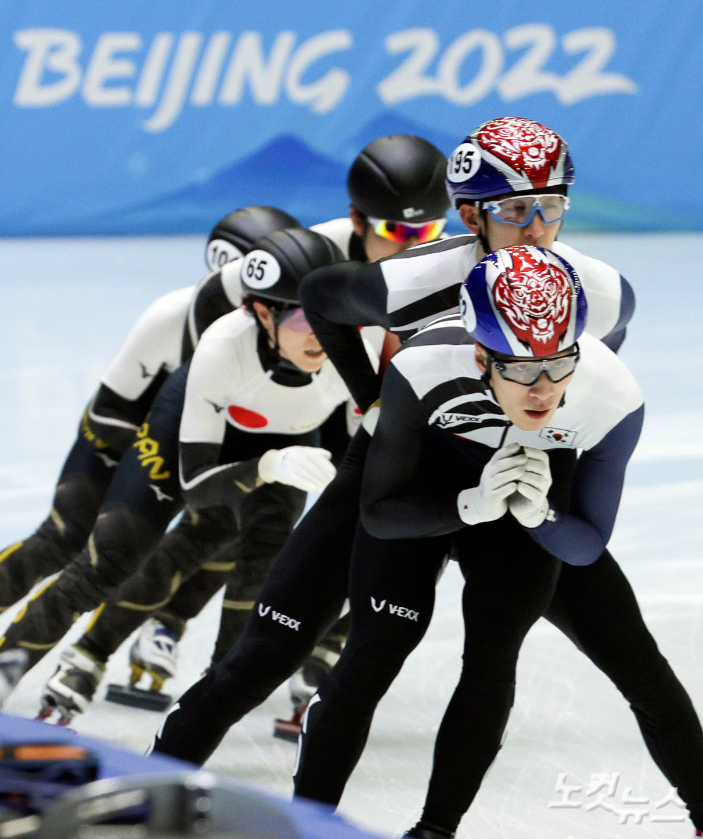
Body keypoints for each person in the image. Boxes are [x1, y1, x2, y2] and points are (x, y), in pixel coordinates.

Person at [149, 117, 634, 765]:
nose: (538, 227)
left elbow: (607, 340)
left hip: (507, 484)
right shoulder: (417, 277)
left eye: (553, 207)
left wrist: (553, 427)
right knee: (267, 655)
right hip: (401, 473)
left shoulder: (593, 287)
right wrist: (369, 395)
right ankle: (157, 783)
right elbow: (321, 294)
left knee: (617, 665)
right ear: (470, 213)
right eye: (518, 209)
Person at [291, 246, 703, 837]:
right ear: (481, 355)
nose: (543, 389)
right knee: (371, 655)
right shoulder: (424, 364)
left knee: (594, 659)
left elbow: (585, 544)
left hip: (530, 501)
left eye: (560, 363)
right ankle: (305, 825)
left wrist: (537, 517)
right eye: (521, 369)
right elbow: (380, 513)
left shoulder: (611, 394)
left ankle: (433, 831)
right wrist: (468, 506)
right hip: (428, 491)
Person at [110, 133, 452, 730]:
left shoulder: (450, 259)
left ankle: (324, 654)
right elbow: (215, 305)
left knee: (408, 536)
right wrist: (213, 392)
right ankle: (167, 623)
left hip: (385, 402)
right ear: (357, 220)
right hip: (322, 393)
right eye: (396, 233)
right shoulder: (322, 253)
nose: (413, 245)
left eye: (427, 233)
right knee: (235, 524)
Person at [0, 227, 356, 722]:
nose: (321, 330)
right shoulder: (221, 347)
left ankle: (212, 705)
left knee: (264, 565)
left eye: (329, 309)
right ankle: (3, 672)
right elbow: (198, 488)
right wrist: (268, 466)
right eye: (300, 315)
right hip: (199, 442)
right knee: (109, 558)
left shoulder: (359, 339)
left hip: (288, 436)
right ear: (261, 313)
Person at [0, 205, 300, 615]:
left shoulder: (289, 336)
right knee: (64, 539)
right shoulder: (172, 316)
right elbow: (109, 415)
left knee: (228, 527)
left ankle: (161, 634)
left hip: (183, 441)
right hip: (121, 435)